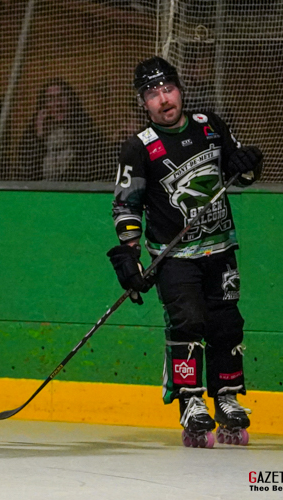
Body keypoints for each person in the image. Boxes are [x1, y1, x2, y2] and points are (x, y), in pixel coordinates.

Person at [108, 56, 263, 448]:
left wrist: (248, 163)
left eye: (168, 89)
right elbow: (126, 204)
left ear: (180, 90)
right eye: (153, 94)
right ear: (143, 103)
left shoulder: (210, 126)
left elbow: (240, 175)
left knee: (226, 324)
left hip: (220, 249)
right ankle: (191, 400)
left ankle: (226, 396)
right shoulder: (139, 147)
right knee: (188, 323)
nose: (163, 99)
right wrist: (129, 252)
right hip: (174, 257)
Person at [20, 79, 104, 181]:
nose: (57, 104)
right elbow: (26, 170)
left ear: (70, 101)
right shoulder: (31, 133)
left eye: (61, 97)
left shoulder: (86, 128)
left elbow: (94, 164)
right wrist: (39, 134)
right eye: (51, 99)